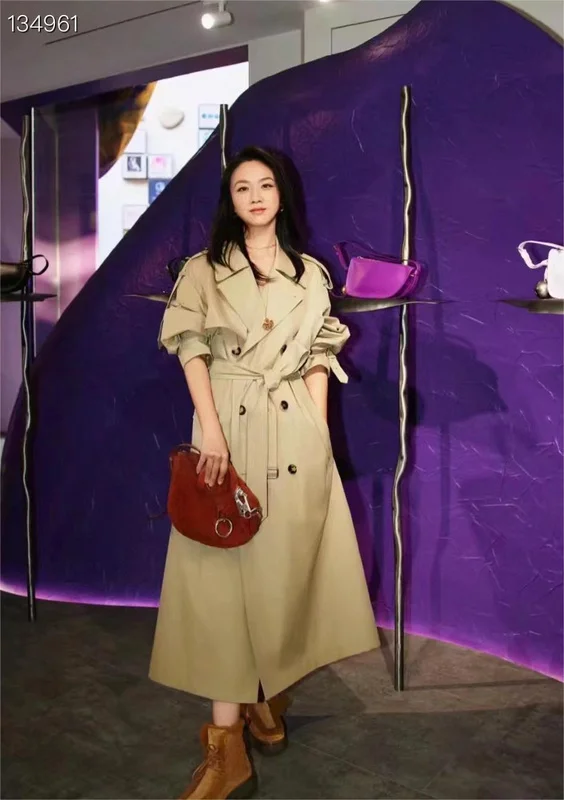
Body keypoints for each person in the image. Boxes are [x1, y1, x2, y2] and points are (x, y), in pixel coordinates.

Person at [149, 146, 380, 800]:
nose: (255, 195)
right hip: (227, 427)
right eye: (242, 187)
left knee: (283, 572)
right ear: (231, 200)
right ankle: (226, 748)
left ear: (282, 195)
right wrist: (212, 430)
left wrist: (318, 431)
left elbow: (318, 356)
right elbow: (190, 348)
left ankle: (260, 696)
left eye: (266, 184)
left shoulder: (310, 274)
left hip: (294, 433)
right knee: (221, 582)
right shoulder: (203, 269)